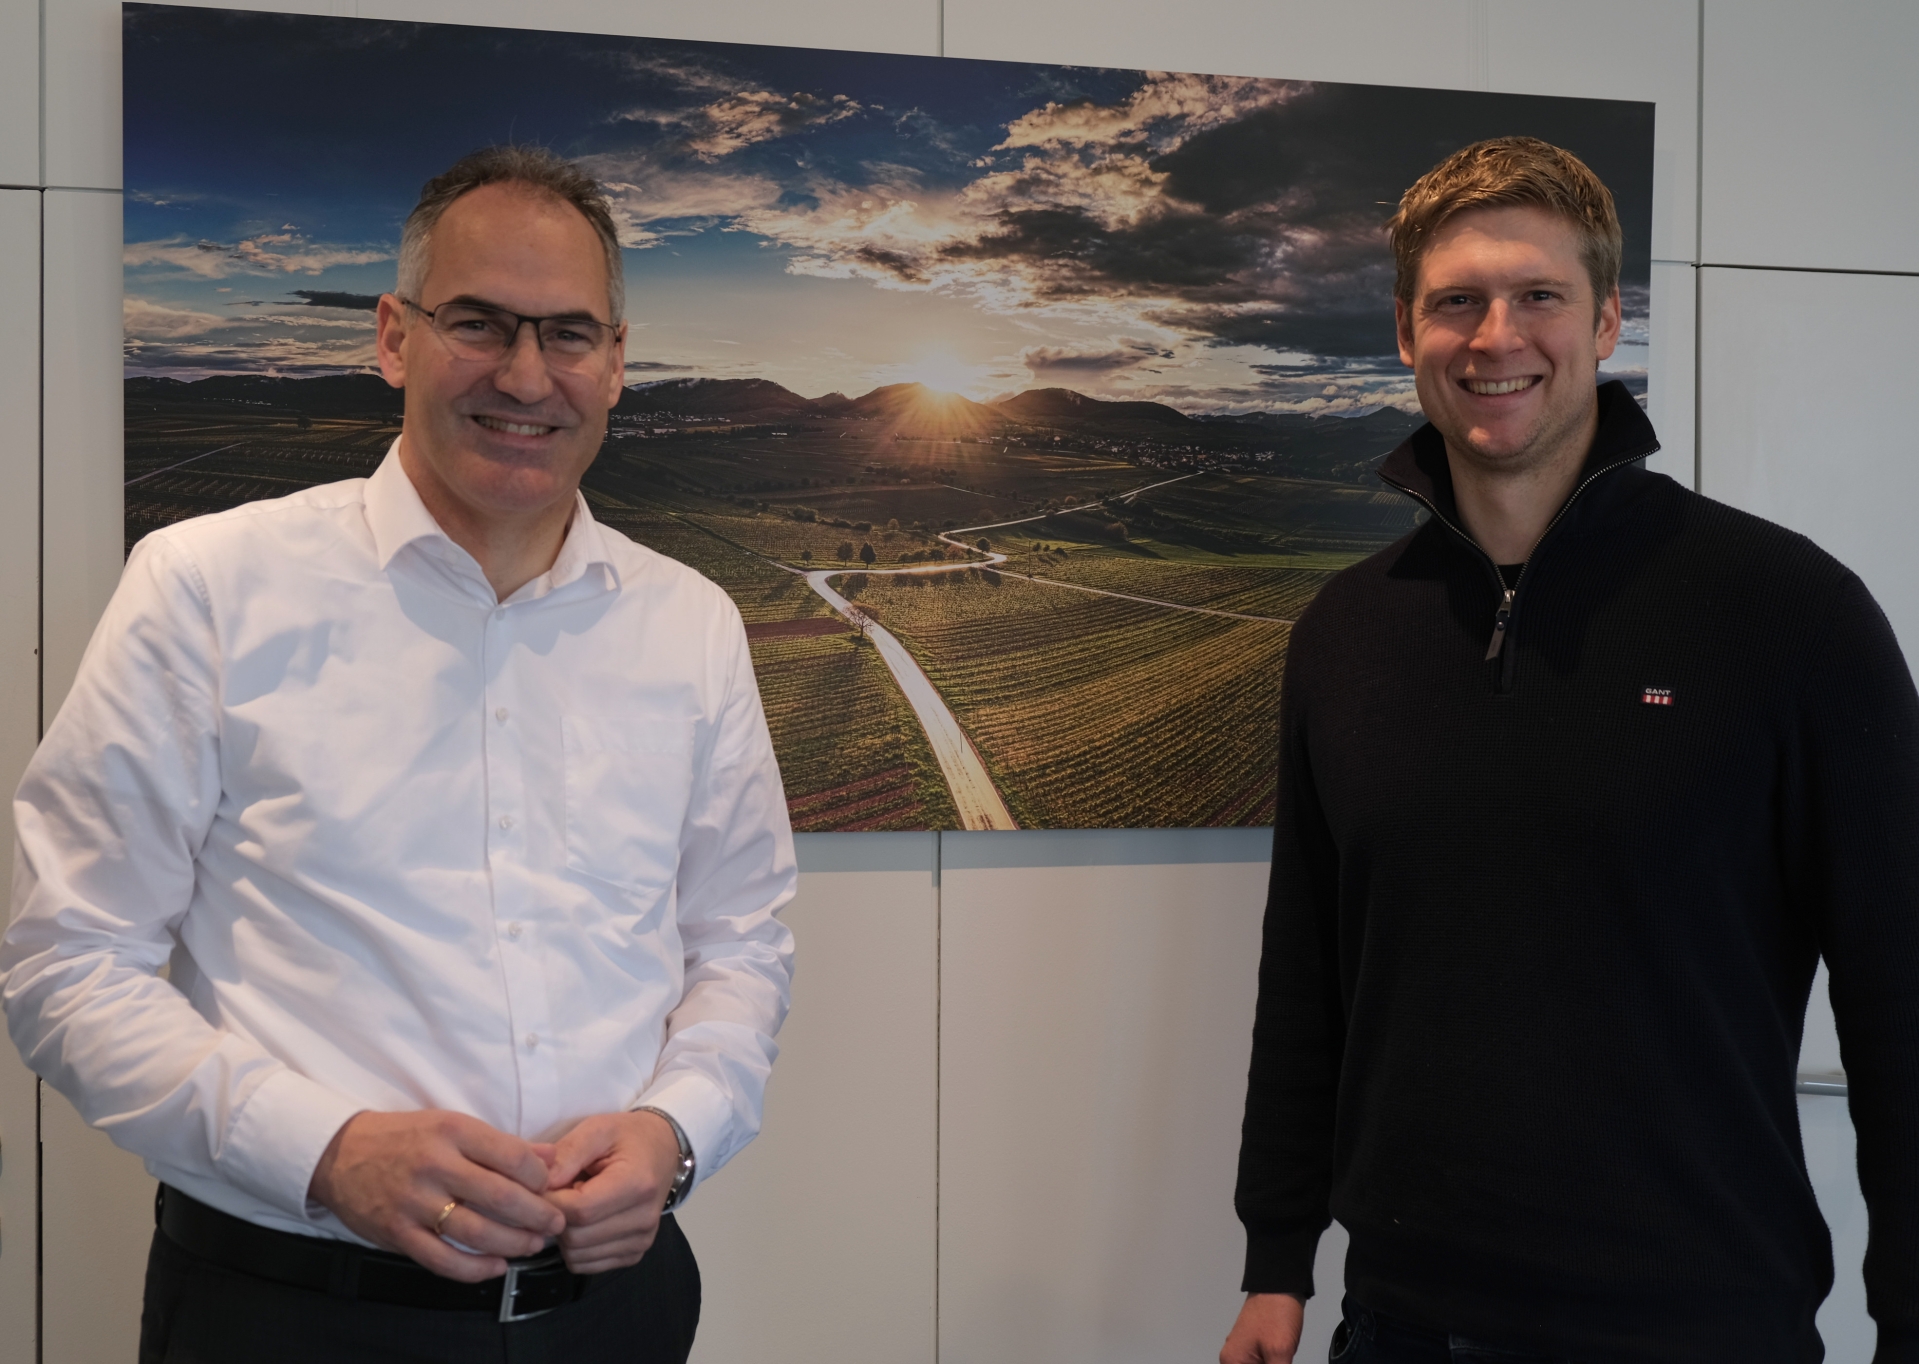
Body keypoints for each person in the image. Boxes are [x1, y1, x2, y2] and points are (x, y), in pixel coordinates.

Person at [2, 145, 797, 1363]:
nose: (526, 374)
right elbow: (67, 963)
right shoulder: (208, 586)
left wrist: (677, 1130)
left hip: (616, 1315)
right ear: (393, 337)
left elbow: (738, 944)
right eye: (478, 321)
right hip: (292, 1318)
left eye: (569, 333)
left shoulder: (689, 623)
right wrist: (323, 1148)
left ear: (618, 362)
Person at [1220, 136, 1919, 1363]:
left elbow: (1898, 992)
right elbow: (1309, 974)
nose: (1496, 336)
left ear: (1604, 322)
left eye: (1538, 294)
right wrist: (1276, 1259)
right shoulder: (1344, 633)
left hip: (1700, 1325)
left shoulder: (1788, 612)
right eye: (1456, 301)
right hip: (1403, 1325)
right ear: (1404, 330)